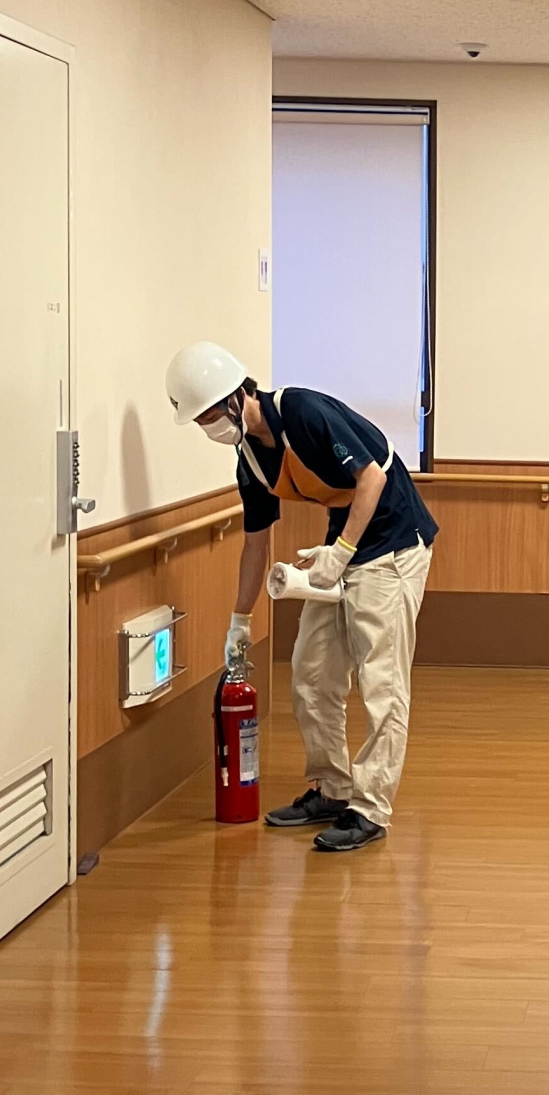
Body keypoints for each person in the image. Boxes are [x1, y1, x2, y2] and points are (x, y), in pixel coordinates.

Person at [165, 342, 438, 852]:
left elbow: (372, 477)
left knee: (382, 683)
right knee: (311, 674)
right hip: (343, 548)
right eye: (200, 422)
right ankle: (333, 789)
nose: (209, 429)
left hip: (394, 544)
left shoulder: (303, 410)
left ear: (235, 397)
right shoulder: (250, 461)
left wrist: (342, 552)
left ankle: (370, 808)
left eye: (209, 417)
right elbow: (255, 545)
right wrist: (240, 621)